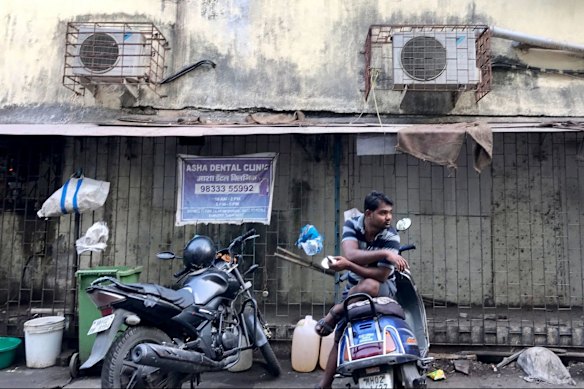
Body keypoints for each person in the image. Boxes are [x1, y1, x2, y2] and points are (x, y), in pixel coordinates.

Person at [315, 190, 409, 389]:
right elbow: (350, 253)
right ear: (368, 214)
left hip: (384, 287)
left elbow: (382, 275)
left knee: (370, 285)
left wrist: (349, 266)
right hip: (354, 287)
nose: (389, 217)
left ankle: (336, 312)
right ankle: (325, 383)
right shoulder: (353, 224)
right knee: (341, 333)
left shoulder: (391, 235)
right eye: (383, 213)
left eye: (390, 212)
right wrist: (384, 253)